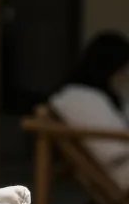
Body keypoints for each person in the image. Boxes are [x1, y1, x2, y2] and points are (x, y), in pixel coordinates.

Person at [50, 31, 129, 190]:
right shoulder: (81, 97)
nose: (126, 73)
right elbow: (113, 149)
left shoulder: (103, 96)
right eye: (124, 67)